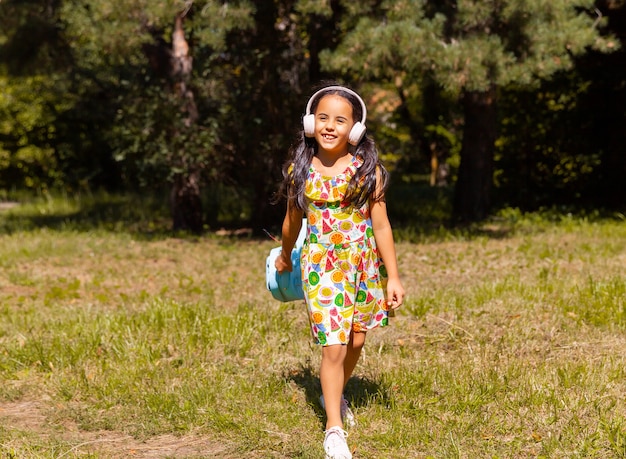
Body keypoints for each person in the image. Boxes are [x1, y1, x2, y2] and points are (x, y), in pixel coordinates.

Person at [275, 85, 405, 459]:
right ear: (310, 123)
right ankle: (334, 427)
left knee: (356, 342)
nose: (330, 126)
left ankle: (332, 390)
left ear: (355, 129)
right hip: (321, 267)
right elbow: (291, 220)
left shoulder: (367, 171)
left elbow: (381, 226)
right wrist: (285, 256)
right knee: (333, 346)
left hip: (361, 264)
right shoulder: (299, 171)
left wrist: (391, 276)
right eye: (323, 118)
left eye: (340, 120)